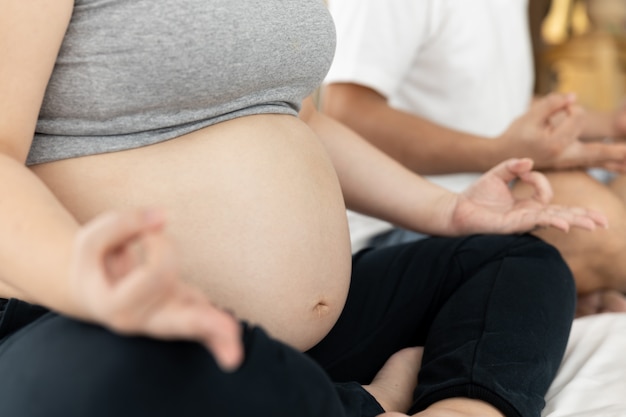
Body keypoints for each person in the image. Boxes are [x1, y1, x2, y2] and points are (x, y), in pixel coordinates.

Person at [0, 1, 606, 416]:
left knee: (515, 262)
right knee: (93, 379)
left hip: (295, 340)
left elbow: (304, 117)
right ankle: (362, 404)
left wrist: (447, 211)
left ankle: (460, 408)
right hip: (88, 314)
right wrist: (82, 279)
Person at [322, 0, 626, 315]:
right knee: (606, 229)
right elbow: (345, 114)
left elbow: (491, 104)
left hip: (493, 187)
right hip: (403, 221)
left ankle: (568, 292)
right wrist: (498, 151)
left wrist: (610, 125)